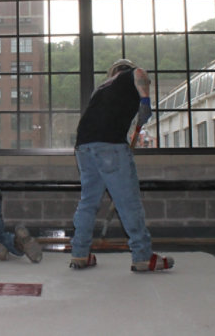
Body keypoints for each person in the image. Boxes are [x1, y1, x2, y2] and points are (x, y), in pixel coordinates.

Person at [69, 58, 174, 272]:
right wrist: (145, 101)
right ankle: (143, 256)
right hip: (110, 146)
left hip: (84, 147)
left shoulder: (101, 89)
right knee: (129, 203)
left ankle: (80, 254)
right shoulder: (130, 74)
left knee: (88, 202)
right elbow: (141, 74)